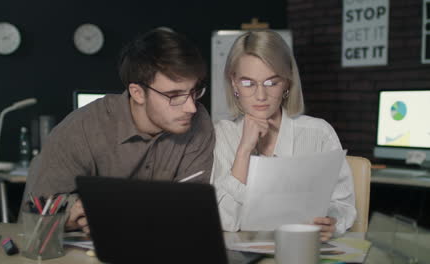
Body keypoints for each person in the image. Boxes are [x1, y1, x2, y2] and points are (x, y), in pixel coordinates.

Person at [24, 28, 215, 234]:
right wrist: (75, 215)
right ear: (138, 93)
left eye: (194, 91)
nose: (191, 107)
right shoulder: (82, 128)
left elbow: (194, 210)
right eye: (174, 95)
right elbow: (33, 213)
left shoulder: (199, 122)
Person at [210, 30, 356, 241]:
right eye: (248, 83)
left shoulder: (319, 134)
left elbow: (343, 206)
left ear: (287, 82)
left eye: (271, 82)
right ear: (234, 83)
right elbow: (225, 221)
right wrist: (243, 151)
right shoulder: (222, 135)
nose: (260, 96)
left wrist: (332, 221)